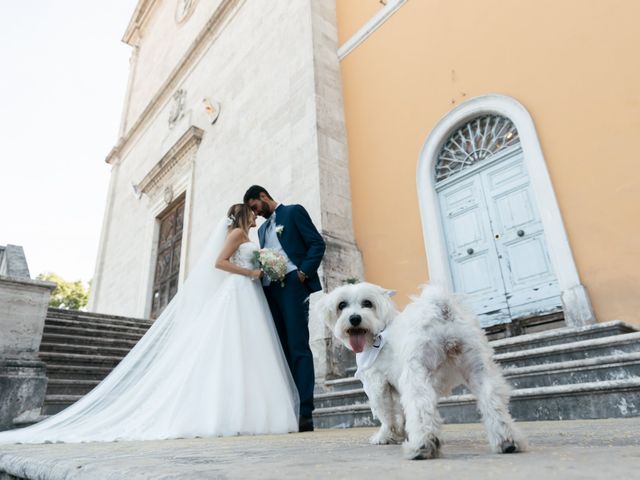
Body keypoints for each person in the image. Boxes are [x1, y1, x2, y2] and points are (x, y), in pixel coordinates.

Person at [0, 204, 299, 443]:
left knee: (247, 351)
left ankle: (247, 413)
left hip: (249, 294)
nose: (257, 218)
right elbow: (218, 263)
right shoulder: (236, 234)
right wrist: (252, 273)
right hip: (239, 291)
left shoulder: (247, 238)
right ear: (245, 215)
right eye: (253, 214)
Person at [244, 186, 326, 432]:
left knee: (298, 346)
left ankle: (305, 412)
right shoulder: (260, 230)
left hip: (293, 284)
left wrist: (303, 273)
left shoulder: (293, 212)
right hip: (269, 291)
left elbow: (316, 244)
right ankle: (287, 409)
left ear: (263, 197)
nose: (256, 215)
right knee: (280, 350)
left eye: (256, 208)